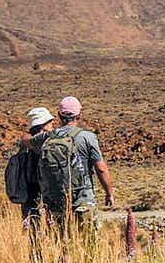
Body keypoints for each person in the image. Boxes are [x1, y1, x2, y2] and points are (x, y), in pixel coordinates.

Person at [34, 95, 113, 231]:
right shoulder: (88, 137)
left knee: (60, 243)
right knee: (89, 244)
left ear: (59, 115)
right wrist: (109, 192)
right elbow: (101, 169)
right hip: (83, 200)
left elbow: (27, 141)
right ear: (79, 115)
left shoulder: (48, 137)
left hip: (56, 203)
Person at [4, 106, 53, 229]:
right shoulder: (44, 142)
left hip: (29, 193)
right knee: (51, 227)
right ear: (43, 124)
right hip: (44, 192)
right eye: (50, 121)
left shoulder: (25, 144)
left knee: (33, 229)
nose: (53, 123)